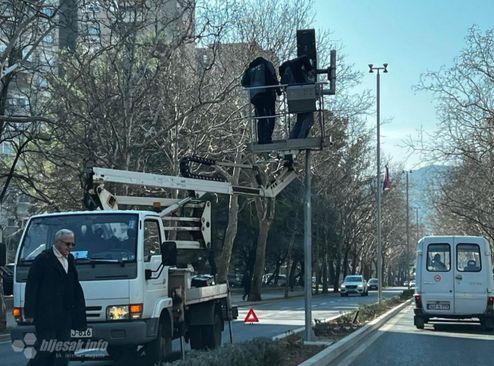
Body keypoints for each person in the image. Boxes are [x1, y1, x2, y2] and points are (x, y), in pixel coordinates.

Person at [24, 229, 87, 366]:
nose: (70, 248)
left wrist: (79, 311)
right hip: (46, 314)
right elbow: (32, 286)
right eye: (67, 244)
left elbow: (74, 284)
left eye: (72, 245)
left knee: (63, 351)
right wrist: (29, 312)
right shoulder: (43, 259)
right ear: (57, 242)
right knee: (46, 348)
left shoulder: (70, 259)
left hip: (65, 315)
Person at [241, 57, 281, 144]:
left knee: (261, 118)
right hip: (267, 94)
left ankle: (261, 140)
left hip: (255, 97)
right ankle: (267, 139)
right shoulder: (267, 64)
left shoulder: (250, 68)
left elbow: (243, 83)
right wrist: (278, 91)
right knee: (270, 117)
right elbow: (273, 78)